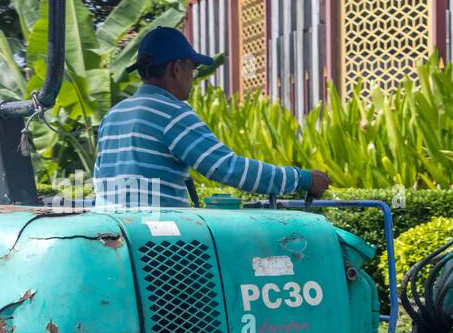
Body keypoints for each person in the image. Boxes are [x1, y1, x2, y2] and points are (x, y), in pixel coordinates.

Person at [93, 27, 329, 207]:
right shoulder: (172, 113)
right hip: (156, 246)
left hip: (114, 238)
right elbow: (226, 167)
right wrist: (302, 179)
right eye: (192, 69)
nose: (192, 77)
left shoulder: (113, 115)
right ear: (176, 68)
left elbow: (99, 180)